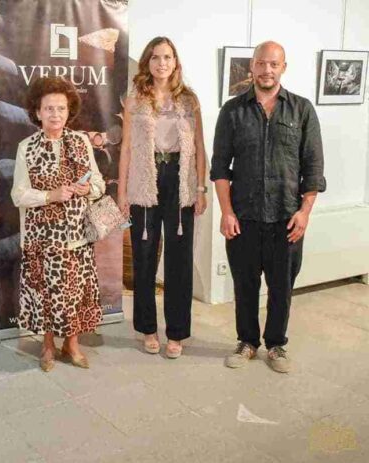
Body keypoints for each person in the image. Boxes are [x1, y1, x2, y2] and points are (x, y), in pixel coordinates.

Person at [211, 41, 325, 373]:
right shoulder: (233, 111)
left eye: (274, 64)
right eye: (261, 63)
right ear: (252, 66)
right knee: (245, 285)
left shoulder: (302, 110)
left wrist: (304, 212)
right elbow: (220, 168)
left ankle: (276, 345)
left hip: (286, 218)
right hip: (243, 218)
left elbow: (313, 168)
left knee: (281, 288)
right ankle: (247, 342)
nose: (267, 70)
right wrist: (226, 212)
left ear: (283, 67)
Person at [117, 37, 207, 359]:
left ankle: (177, 332)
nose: (162, 63)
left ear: (175, 62)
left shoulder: (189, 100)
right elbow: (126, 147)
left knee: (179, 260)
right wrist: (122, 192)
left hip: (180, 180)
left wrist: (201, 188)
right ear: (147, 62)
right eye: (155, 57)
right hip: (145, 178)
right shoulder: (134, 100)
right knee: (144, 256)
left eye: (167, 57)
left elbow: (199, 146)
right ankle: (148, 329)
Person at [11, 76, 106, 372]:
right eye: (49, 109)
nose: (55, 114)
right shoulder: (26, 147)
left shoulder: (81, 142)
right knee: (46, 294)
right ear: (37, 112)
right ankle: (48, 346)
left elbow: (99, 183)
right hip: (42, 239)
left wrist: (88, 188)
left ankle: (72, 345)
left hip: (77, 236)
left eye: (61, 108)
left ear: (69, 111)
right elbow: (18, 195)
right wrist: (49, 195)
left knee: (74, 292)